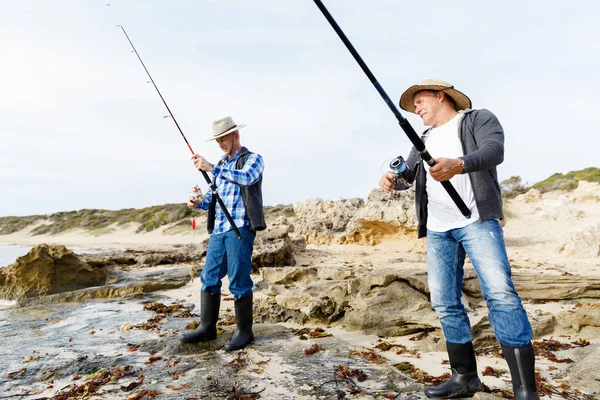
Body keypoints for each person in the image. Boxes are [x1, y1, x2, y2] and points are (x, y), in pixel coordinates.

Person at [379, 80, 538, 400]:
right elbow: (409, 176)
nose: (417, 109)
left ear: (441, 96)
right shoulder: (423, 138)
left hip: (477, 222)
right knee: (444, 301)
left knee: (501, 295)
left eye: (420, 102)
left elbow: (495, 151)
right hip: (439, 229)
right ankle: (465, 377)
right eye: (413, 107)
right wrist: (393, 179)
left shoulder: (477, 119)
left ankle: (524, 389)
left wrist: (459, 164)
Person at [181, 116, 266, 351]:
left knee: (239, 282)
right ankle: (207, 328)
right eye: (217, 140)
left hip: (240, 229)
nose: (220, 144)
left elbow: (247, 179)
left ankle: (244, 332)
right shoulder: (221, 164)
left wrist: (213, 168)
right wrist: (197, 202)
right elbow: (213, 199)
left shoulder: (253, 159)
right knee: (209, 278)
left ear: (235, 135)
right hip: (219, 231)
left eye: (223, 139)